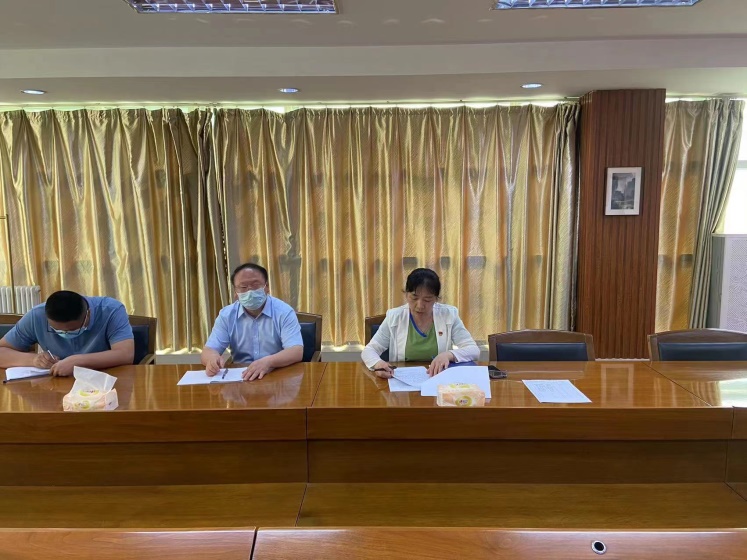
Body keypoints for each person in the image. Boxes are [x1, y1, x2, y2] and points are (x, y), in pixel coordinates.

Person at [361, 268, 479, 378]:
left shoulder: (448, 315)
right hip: (402, 380)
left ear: (436, 299)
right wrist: (378, 364)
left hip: (437, 379)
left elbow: (473, 350)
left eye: (427, 300)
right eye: (414, 298)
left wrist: (449, 355)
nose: (420, 305)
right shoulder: (394, 317)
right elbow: (369, 350)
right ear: (406, 294)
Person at [202, 262, 304, 381]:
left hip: (278, 375)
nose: (250, 291)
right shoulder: (227, 315)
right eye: (243, 287)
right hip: (241, 378)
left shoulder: (284, 312)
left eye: (255, 285)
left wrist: (268, 362)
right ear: (235, 292)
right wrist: (212, 359)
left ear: (267, 287)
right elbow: (209, 350)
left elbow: (296, 351)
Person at [0, 290, 135, 376]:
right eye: (57, 330)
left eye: (72, 330)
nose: (65, 334)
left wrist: (77, 361)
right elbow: (2, 351)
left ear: (87, 315)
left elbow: (125, 354)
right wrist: (34, 360)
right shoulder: (37, 315)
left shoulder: (111, 310)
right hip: (57, 384)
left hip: (104, 380)